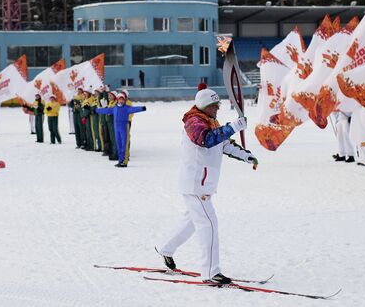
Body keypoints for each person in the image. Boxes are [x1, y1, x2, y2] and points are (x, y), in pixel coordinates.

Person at [156, 89, 257, 284]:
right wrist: (234, 126)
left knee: (192, 222)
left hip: (203, 183)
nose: (216, 109)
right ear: (203, 106)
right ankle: (210, 272)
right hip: (195, 184)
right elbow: (206, 139)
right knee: (209, 224)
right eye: (213, 106)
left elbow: (223, 143)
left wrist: (246, 156)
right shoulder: (193, 122)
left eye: (218, 106)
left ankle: (166, 249)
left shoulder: (211, 121)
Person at [96, 92, 146, 167]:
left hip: (124, 127)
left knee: (124, 144)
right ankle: (120, 160)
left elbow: (134, 109)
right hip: (116, 128)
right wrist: (97, 110)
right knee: (118, 144)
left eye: (122, 100)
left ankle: (125, 161)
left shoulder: (126, 108)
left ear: (124, 100)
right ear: (117, 100)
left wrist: (142, 108)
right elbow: (105, 110)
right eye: (120, 99)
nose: (121, 101)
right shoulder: (114, 108)